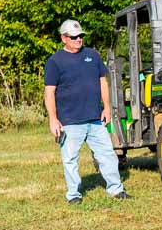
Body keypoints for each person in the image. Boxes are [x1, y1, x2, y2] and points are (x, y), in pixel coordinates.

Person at [44, 19, 130, 204]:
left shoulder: (93, 55)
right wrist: (53, 119)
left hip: (95, 118)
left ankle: (116, 190)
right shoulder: (54, 62)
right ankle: (74, 195)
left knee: (107, 154)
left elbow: (102, 82)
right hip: (70, 120)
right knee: (70, 159)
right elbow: (49, 92)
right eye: (74, 37)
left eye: (80, 36)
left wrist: (106, 107)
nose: (78, 39)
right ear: (63, 38)